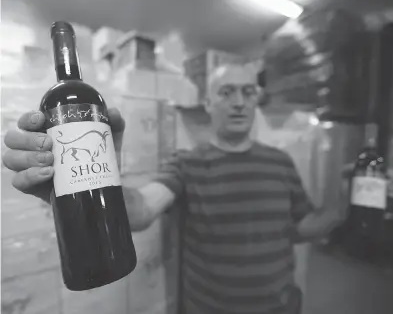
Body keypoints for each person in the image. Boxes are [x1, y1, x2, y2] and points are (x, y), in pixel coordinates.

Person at [2, 63, 348, 314]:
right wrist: (96, 177)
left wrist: (341, 207)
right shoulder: (187, 163)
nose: (239, 102)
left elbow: (300, 228)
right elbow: (140, 211)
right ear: (209, 105)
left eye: (248, 92)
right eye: (226, 92)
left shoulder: (281, 162)